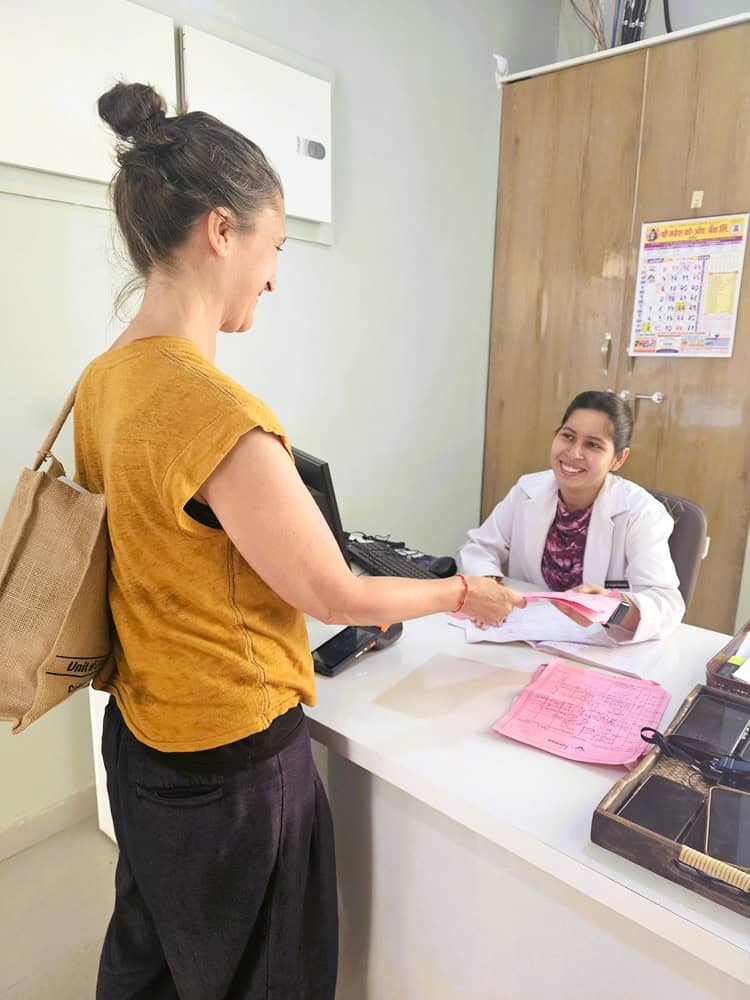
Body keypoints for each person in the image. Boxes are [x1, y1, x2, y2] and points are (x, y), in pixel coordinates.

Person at [75, 82, 526, 1000]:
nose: (274, 276)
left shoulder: (102, 380)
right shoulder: (215, 409)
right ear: (219, 231)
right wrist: (457, 594)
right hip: (233, 765)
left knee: (152, 960)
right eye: (273, 246)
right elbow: (337, 594)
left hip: (140, 738)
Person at [458, 390, 685, 642]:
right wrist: (489, 588)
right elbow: (480, 547)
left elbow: (666, 604)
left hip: (597, 647)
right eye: (568, 436)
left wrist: (613, 609)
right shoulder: (527, 491)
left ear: (619, 459)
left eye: (593, 444)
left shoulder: (641, 513)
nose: (574, 453)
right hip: (520, 636)